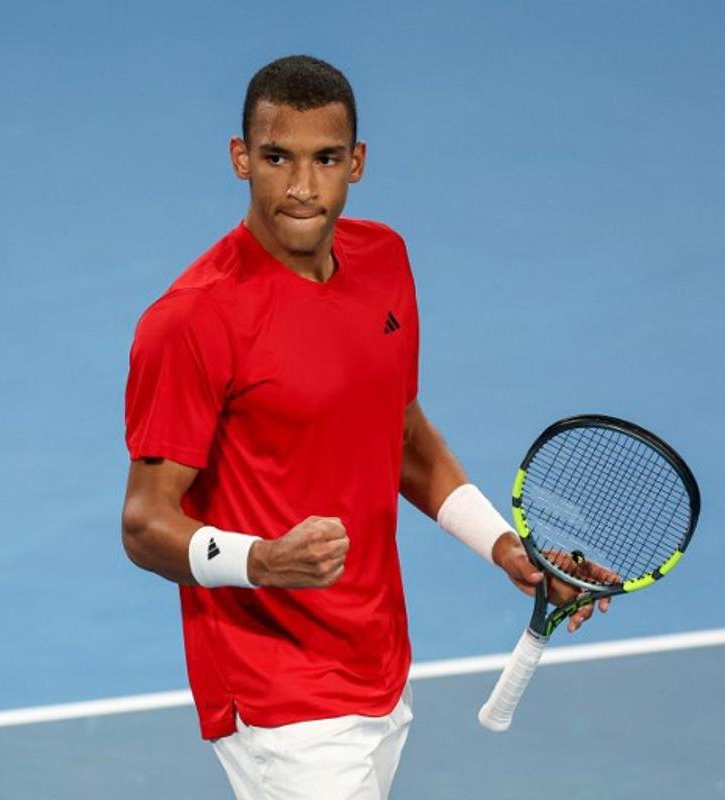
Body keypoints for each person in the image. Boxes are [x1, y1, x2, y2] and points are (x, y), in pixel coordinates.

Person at [121, 54, 607, 800]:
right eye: (277, 158)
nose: (302, 186)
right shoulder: (192, 320)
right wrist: (264, 561)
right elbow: (145, 525)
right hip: (277, 689)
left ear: (357, 163)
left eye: (325, 159)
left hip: (377, 658)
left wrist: (503, 545)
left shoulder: (385, 261)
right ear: (241, 159)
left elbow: (402, 433)